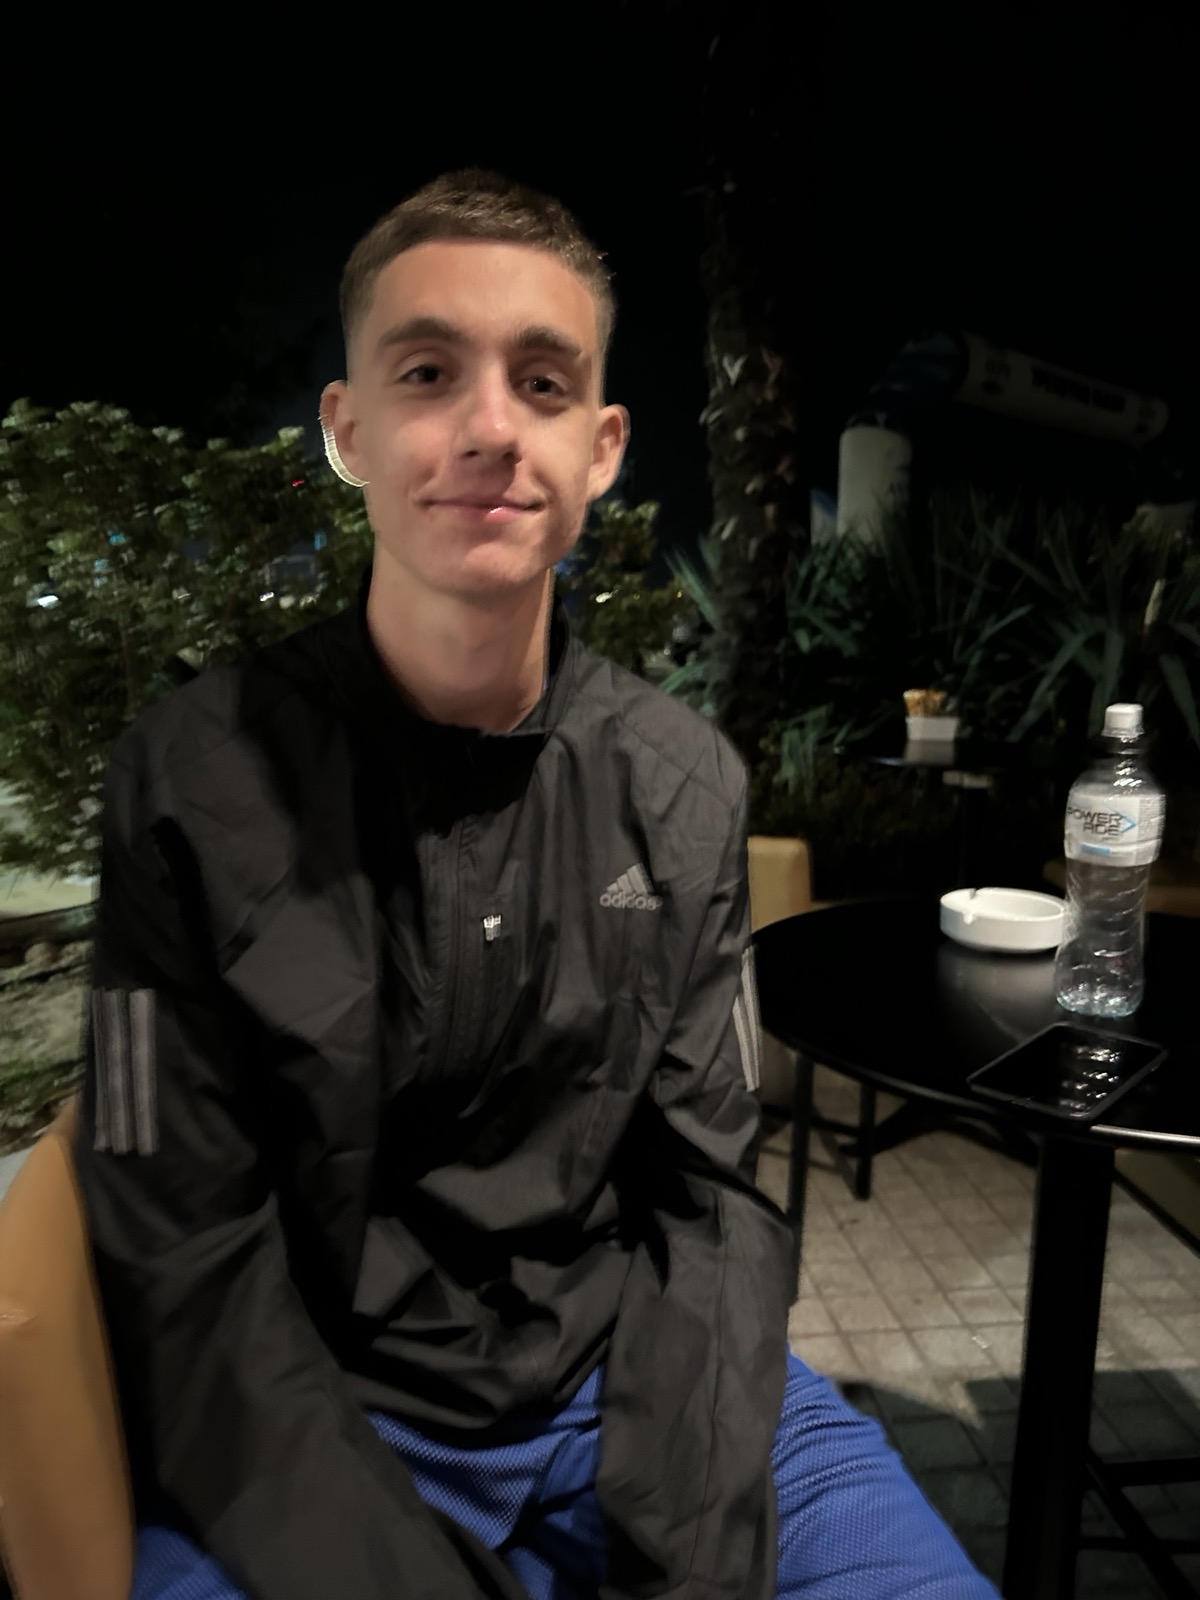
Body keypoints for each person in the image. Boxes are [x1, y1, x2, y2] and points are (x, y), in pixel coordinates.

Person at [77, 169, 997, 1600]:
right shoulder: (191, 785)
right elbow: (178, 1257)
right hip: (312, 1417)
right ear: (348, 429)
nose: (492, 427)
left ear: (603, 445)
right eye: (429, 372)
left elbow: (710, 1198)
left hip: (630, 1386)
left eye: (545, 382)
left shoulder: (682, 786)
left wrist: (689, 1556)